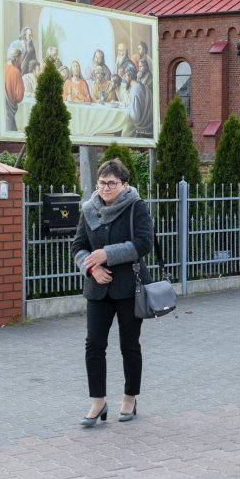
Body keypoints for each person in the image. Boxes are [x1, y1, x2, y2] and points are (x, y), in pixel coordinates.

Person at [70, 160, 153, 427]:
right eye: (102, 182)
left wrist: (108, 255)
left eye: (112, 183)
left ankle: (130, 397)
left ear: (124, 184)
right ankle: (98, 402)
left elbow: (144, 243)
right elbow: (78, 247)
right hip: (98, 289)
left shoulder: (135, 207)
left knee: (129, 346)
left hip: (129, 289)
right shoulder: (89, 209)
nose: (106, 188)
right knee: (94, 344)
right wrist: (91, 268)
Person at [121, 66, 152, 137]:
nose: (124, 78)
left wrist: (126, 110)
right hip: (143, 121)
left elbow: (135, 117)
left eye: (125, 76)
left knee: (124, 134)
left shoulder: (135, 89)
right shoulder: (138, 85)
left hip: (139, 124)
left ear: (129, 76)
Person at [5, 43, 25, 131]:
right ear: (16, 59)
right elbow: (19, 96)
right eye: (21, 60)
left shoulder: (2, 68)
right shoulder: (16, 72)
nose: (21, 62)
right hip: (9, 113)